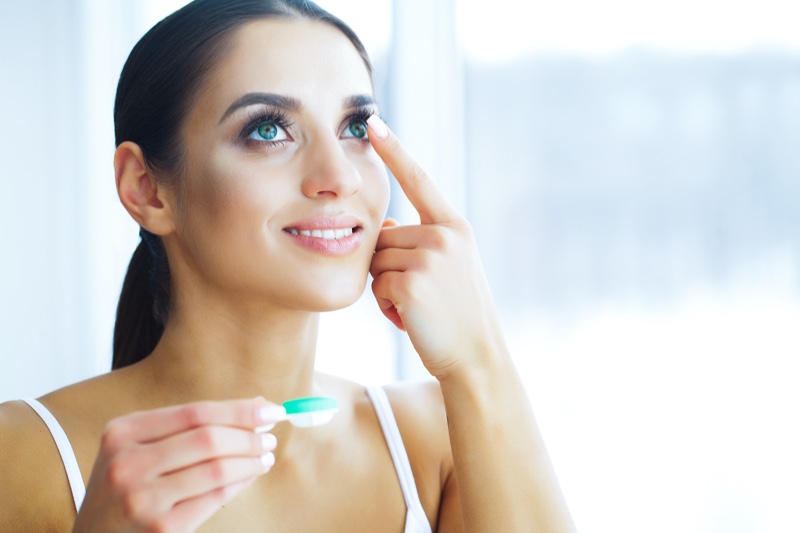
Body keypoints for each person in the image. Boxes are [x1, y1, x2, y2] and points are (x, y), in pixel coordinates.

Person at [0, 1, 576, 531]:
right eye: (268, 130)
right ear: (147, 188)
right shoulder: (25, 455)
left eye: (355, 129)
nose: (341, 176)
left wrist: (480, 359)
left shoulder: (434, 437)